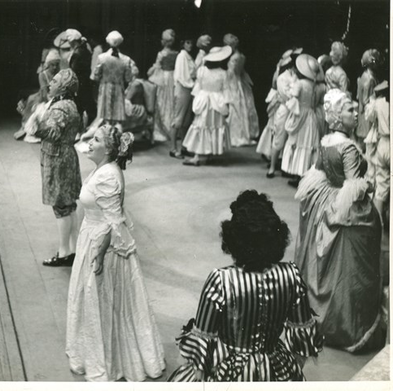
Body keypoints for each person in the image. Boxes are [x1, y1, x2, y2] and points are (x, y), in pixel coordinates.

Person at [168, 190, 324, 382]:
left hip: (229, 371)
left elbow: (201, 351)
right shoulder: (291, 275)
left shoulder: (220, 280)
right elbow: (302, 341)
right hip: (275, 364)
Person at [66, 124, 166, 381]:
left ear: (108, 149)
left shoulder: (109, 175)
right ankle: (95, 353)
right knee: (96, 301)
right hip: (92, 237)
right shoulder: (103, 169)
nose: (89, 143)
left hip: (104, 247)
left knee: (106, 302)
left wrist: (99, 254)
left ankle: (110, 361)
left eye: (96, 140)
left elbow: (113, 221)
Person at [294, 88, 384, 352]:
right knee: (347, 264)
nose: (355, 112)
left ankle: (314, 313)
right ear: (336, 115)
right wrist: (366, 186)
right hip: (341, 204)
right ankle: (345, 324)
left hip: (325, 199)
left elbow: (320, 171)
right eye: (349, 110)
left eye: (355, 108)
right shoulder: (349, 148)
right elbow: (352, 183)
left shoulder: (326, 140)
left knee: (320, 262)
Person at [31, 68, 82, 267]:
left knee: (61, 206)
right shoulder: (67, 104)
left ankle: (64, 253)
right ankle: (73, 249)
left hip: (58, 159)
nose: (50, 83)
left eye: (54, 81)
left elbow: (52, 133)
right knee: (68, 206)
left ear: (63, 86)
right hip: (65, 156)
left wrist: (36, 125)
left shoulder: (61, 107)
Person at [182, 46, 232, 166]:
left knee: (203, 125)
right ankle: (200, 155)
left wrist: (196, 101)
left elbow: (197, 88)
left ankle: (202, 155)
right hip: (215, 101)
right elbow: (226, 91)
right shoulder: (222, 73)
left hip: (204, 100)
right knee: (209, 126)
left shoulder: (202, 71)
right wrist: (227, 105)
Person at [281, 54, 321, 187]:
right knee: (307, 142)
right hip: (310, 115)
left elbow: (293, 97)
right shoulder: (314, 85)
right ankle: (305, 173)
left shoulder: (299, 84)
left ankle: (297, 174)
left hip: (300, 114)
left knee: (298, 142)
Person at [265, 53, 298, 178]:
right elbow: (286, 94)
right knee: (279, 136)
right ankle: (272, 167)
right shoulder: (282, 77)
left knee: (291, 139)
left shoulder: (296, 77)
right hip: (285, 109)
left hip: (294, 110)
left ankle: (286, 167)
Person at [223, 34, 260, 146]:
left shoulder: (236, 57)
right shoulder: (240, 56)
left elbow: (232, 73)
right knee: (239, 106)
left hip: (234, 82)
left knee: (236, 107)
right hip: (239, 81)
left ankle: (237, 134)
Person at [93, 30, 134, 126]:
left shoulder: (101, 58)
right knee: (117, 118)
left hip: (105, 88)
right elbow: (128, 78)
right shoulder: (126, 59)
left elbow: (96, 76)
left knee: (105, 117)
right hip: (119, 89)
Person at [365, 80, 390, 228]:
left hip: (382, 143)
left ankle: (378, 223)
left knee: (381, 184)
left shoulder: (378, 103)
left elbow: (370, 118)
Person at [147, 29, 178, 142]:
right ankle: (171, 129)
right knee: (171, 102)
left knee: (162, 102)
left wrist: (151, 73)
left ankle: (163, 130)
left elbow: (157, 66)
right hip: (173, 78)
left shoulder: (161, 54)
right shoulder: (176, 54)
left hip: (164, 78)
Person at [170, 38, 196, 158]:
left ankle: (184, 147)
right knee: (178, 119)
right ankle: (173, 148)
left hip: (189, 89)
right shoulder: (181, 56)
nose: (190, 44)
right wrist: (193, 84)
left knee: (186, 121)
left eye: (191, 42)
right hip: (182, 88)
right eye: (187, 42)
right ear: (183, 43)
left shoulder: (188, 57)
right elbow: (182, 76)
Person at [356, 49, 380, 151]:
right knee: (367, 142)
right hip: (367, 114)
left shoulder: (365, 75)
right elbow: (365, 100)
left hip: (364, 112)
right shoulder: (370, 79)